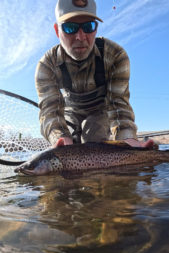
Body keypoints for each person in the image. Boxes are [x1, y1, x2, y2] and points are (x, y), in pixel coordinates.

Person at [35, 0, 154, 148]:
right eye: (70, 27)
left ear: (96, 29)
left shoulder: (116, 56)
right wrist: (60, 138)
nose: (80, 37)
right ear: (57, 30)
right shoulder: (46, 66)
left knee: (94, 135)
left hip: (102, 111)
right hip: (70, 113)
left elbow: (118, 107)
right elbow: (50, 112)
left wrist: (128, 141)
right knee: (68, 143)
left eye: (88, 26)